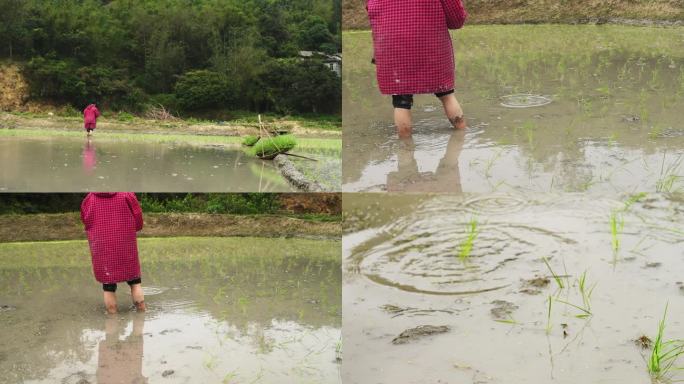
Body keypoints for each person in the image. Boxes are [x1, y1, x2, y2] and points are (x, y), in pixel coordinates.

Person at [367, 0, 468, 137]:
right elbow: (456, 21)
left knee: (401, 102)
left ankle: (405, 151)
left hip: (392, 48)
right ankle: (461, 139)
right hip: (430, 46)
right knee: (446, 94)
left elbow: (372, 12)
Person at [81, 192, 146, 314]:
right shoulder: (126, 194)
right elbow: (137, 217)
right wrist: (134, 228)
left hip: (102, 246)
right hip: (125, 243)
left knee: (108, 286)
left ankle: (112, 318)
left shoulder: (89, 199)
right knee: (135, 282)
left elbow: (86, 220)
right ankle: (141, 314)